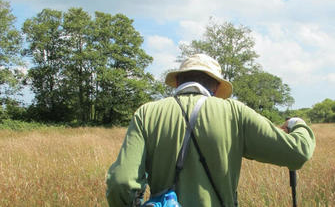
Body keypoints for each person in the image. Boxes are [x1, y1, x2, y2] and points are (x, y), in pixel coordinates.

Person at [106, 54, 316, 207]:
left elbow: (121, 182)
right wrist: (296, 123)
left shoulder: (147, 114)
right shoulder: (235, 113)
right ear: (216, 86)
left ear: (178, 81)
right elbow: (298, 153)